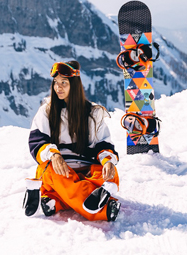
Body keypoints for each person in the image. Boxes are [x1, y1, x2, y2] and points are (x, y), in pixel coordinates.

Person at [23, 60, 121, 222]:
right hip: (62, 171)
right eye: (56, 83)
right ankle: (102, 208)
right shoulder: (47, 112)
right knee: (52, 171)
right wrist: (54, 155)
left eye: (63, 83)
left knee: (110, 172)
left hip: (87, 172)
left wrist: (107, 161)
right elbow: (37, 142)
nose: (58, 87)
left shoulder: (93, 113)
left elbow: (103, 145)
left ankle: (58, 201)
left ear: (74, 85)